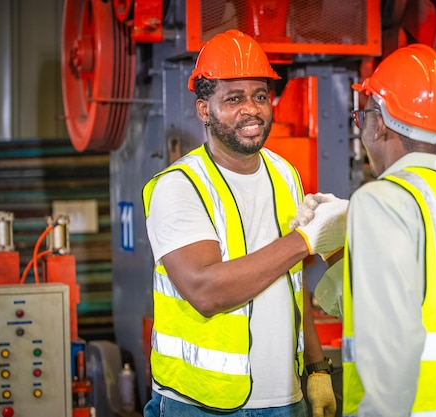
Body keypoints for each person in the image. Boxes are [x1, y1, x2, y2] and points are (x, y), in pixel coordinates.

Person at [298, 44, 436, 416]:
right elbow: (420, 311)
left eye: (361, 115)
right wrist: (338, 250)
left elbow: (391, 348)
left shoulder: (380, 201)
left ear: (378, 122)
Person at [141, 29, 345, 417]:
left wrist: (317, 367)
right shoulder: (179, 187)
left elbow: (292, 279)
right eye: (233, 98)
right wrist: (305, 239)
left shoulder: (284, 174)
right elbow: (206, 292)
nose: (251, 109)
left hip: (286, 398)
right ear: (204, 109)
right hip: (201, 405)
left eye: (260, 96)